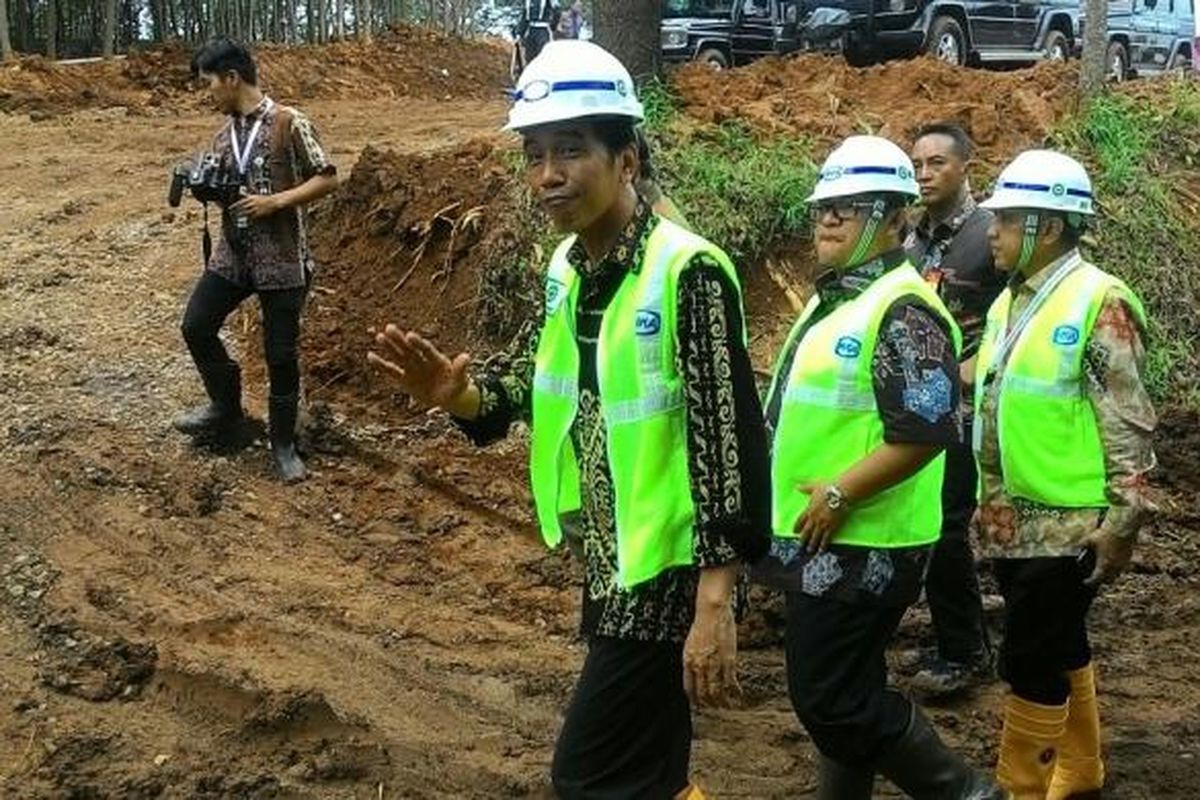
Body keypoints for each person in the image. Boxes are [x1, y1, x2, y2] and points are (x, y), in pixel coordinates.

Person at [368, 40, 771, 800]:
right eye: (535, 154)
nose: (548, 175)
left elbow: (731, 440)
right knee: (651, 769)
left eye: (571, 152)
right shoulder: (569, 269)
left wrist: (716, 603)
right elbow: (528, 381)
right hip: (611, 557)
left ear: (627, 159)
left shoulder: (688, 272)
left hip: (670, 571)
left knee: (586, 776)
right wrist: (458, 397)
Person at [756, 134, 1006, 799]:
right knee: (848, 690)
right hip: (826, 538)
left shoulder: (904, 310)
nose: (830, 218)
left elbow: (928, 431)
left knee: (829, 699)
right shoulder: (837, 299)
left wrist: (840, 492)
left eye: (853, 205)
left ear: (896, 217)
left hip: (866, 542)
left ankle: (970, 793)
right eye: (825, 206)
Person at [973, 150, 1156, 799]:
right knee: (1058, 640)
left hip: (1070, 522)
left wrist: (1123, 518)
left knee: (1029, 659)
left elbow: (1126, 416)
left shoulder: (1097, 301)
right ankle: (1080, 772)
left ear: (1047, 228)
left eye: (1005, 219)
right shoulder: (1011, 303)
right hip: (1013, 518)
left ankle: (1022, 787)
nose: (989, 230)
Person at [173, 37, 338, 482]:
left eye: (209, 83)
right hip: (233, 256)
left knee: (280, 354)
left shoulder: (290, 122)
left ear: (232, 78)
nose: (206, 92)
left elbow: (327, 177)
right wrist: (207, 190)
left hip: (281, 260)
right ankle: (226, 410)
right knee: (196, 325)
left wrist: (277, 202)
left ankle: (283, 446)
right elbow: (229, 189)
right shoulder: (223, 135)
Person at [904, 122, 1006, 695]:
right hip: (918, 408)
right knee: (928, 524)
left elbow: (1017, 311)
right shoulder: (914, 240)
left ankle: (965, 650)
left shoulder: (991, 234)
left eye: (936, 162)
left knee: (945, 527)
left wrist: (978, 366)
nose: (924, 173)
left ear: (966, 166)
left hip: (967, 411)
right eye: (917, 163)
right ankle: (957, 632)